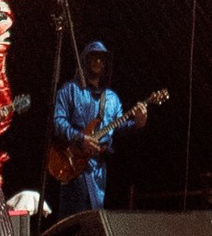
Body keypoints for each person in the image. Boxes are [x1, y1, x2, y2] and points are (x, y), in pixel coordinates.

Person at [50, 39, 144, 215]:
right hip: (73, 163)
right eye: (93, 57)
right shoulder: (70, 90)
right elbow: (57, 121)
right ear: (85, 60)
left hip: (98, 169)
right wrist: (81, 138)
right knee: (73, 218)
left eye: (102, 59)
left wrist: (138, 123)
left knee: (94, 218)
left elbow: (120, 128)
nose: (98, 61)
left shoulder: (112, 99)